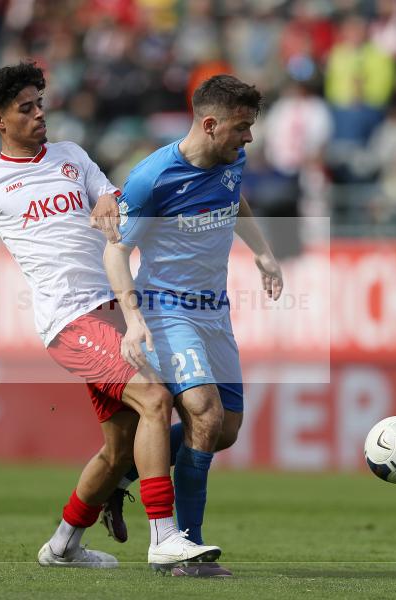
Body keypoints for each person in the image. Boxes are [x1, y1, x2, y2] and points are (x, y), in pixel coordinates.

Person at [0, 62, 221, 570]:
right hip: (69, 321)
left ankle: (63, 544)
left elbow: (109, 194)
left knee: (119, 451)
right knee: (156, 399)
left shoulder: (72, 156)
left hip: (113, 311)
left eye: (40, 103)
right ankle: (164, 537)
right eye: (26, 108)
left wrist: (111, 204)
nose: (40, 113)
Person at [102, 74, 283, 576]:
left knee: (225, 430)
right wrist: (134, 318)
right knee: (202, 414)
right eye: (242, 128)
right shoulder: (152, 178)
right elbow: (116, 252)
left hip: (215, 311)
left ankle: (125, 472)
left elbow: (234, 197)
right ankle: (185, 547)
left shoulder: (232, 160)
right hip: (166, 308)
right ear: (209, 123)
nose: (248, 139)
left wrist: (263, 253)